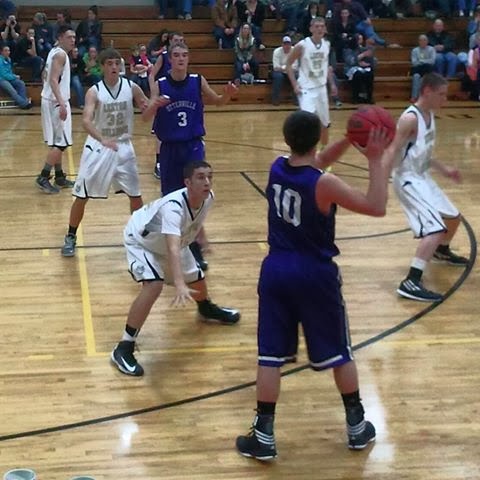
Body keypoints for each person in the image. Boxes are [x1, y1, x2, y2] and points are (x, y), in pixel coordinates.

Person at [235, 110, 393, 460]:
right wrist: (375, 159)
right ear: (318, 136)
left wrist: (349, 140)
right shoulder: (325, 184)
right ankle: (356, 427)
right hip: (314, 273)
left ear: (287, 138)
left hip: (275, 270)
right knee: (339, 351)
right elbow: (377, 206)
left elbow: (315, 160)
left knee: (269, 356)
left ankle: (263, 435)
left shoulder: (277, 167)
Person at [110, 160, 241, 377]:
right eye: (201, 177)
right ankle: (124, 347)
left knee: (197, 281)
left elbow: (195, 220)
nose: (207, 182)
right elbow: (172, 248)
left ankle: (205, 309)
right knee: (154, 285)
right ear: (187, 183)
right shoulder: (173, 208)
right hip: (142, 241)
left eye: (210, 176)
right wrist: (179, 283)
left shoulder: (208, 197)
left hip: (170, 241)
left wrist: (203, 239)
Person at [60, 48, 167, 257]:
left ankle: (139, 234)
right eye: (109, 64)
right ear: (102, 67)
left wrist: (154, 104)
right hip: (98, 146)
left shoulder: (132, 87)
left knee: (135, 195)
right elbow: (86, 121)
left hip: (123, 146)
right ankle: (71, 236)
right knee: (82, 195)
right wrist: (103, 139)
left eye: (117, 63)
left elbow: (145, 116)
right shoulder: (94, 91)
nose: (114, 67)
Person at [145, 42, 238, 270]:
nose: (180, 59)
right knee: (171, 199)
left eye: (184, 55)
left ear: (188, 58)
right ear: (170, 60)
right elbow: (145, 117)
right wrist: (154, 105)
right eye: (176, 55)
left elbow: (218, 102)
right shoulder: (160, 84)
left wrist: (227, 95)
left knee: (195, 196)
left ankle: (194, 247)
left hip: (193, 146)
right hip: (169, 148)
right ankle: (164, 242)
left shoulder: (197, 81)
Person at [389, 73, 468, 303]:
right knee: (435, 228)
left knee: (453, 218)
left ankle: (440, 251)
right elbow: (393, 150)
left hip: (422, 176)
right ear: (427, 91)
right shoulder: (409, 119)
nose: (445, 99)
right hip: (407, 180)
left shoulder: (429, 115)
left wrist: (444, 169)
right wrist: (380, 181)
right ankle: (411, 281)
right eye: (441, 94)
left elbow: (422, 153)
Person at [35, 25, 76, 195]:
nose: (73, 40)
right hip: (56, 102)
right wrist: (62, 103)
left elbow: (45, 76)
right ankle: (43, 176)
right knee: (61, 143)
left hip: (49, 100)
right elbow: (52, 79)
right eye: (69, 37)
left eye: (74, 37)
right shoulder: (60, 55)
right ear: (60, 38)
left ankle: (59, 176)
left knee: (57, 141)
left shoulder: (54, 51)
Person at [287, 17, 337, 147]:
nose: (320, 29)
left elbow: (327, 67)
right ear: (311, 29)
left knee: (325, 124)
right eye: (317, 26)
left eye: (322, 26)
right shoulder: (302, 45)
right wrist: (295, 85)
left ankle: (323, 151)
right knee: (307, 123)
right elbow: (288, 64)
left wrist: (332, 84)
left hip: (321, 88)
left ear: (325, 29)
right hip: (306, 89)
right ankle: (305, 151)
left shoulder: (327, 44)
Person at [148, 31, 184, 180]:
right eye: (176, 40)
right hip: (164, 95)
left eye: (181, 40)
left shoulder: (182, 57)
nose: (178, 42)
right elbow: (151, 74)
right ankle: (159, 163)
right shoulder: (163, 56)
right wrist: (153, 95)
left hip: (177, 96)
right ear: (170, 41)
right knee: (160, 131)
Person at [344, 33, 376, 104]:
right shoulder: (348, 50)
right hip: (352, 68)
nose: (361, 41)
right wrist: (362, 56)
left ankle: (369, 97)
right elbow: (350, 61)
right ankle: (355, 97)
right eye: (359, 39)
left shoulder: (364, 49)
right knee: (357, 75)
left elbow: (372, 60)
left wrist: (368, 63)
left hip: (364, 67)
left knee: (369, 74)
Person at [271, 35, 298, 106]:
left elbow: (296, 67)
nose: (287, 46)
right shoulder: (276, 51)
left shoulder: (294, 51)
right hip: (280, 72)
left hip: (291, 71)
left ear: (291, 44)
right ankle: (275, 99)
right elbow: (276, 67)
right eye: (285, 44)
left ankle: (297, 99)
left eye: (288, 44)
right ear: (282, 45)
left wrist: (284, 68)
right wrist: (287, 68)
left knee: (297, 76)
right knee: (278, 77)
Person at [410, 34, 435, 103]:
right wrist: (426, 61)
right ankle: (414, 96)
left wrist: (421, 61)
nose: (423, 42)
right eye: (421, 40)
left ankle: (421, 97)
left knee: (423, 78)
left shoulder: (431, 49)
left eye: (424, 40)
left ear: (427, 41)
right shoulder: (415, 50)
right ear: (419, 42)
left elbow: (432, 61)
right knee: (416, 77)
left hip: (427, 69)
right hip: (418, 69)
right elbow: (414, 62)